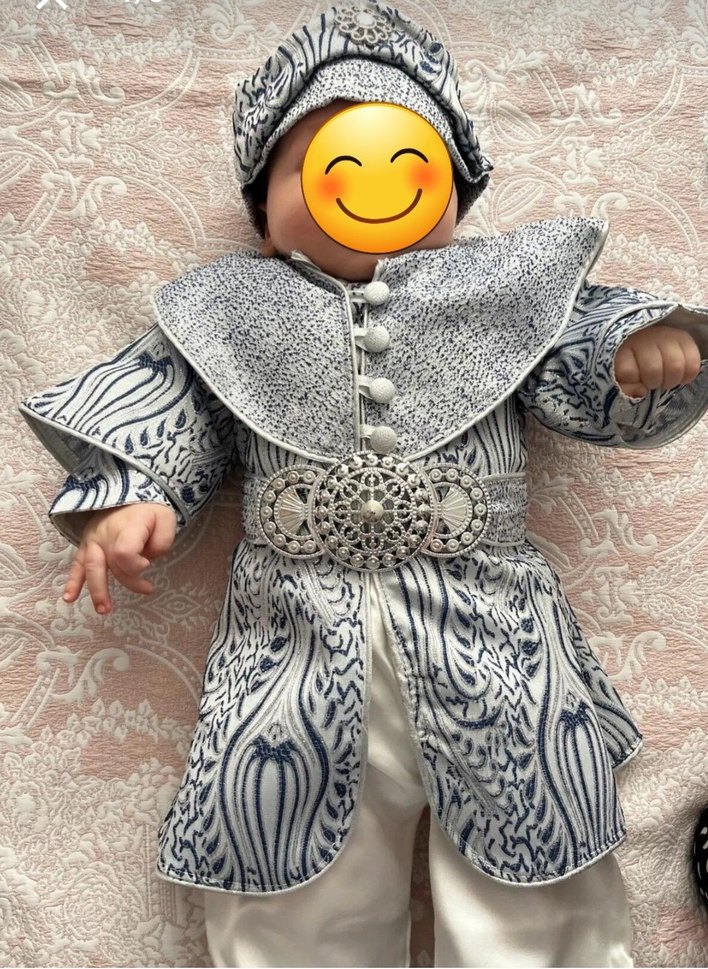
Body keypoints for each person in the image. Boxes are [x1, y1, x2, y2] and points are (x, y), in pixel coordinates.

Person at [18, 2, 708, 967]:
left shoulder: (508, 290)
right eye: (321, 162)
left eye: (406, 156)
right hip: (294, 644)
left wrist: (631, 355)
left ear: (453, 194)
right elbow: (168, 401)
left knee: (533, 866)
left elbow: (575, 351)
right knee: (292, 873)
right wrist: (133, 495)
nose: (370, 178)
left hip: (492, 635)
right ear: (265, 219)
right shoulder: (229, 310)